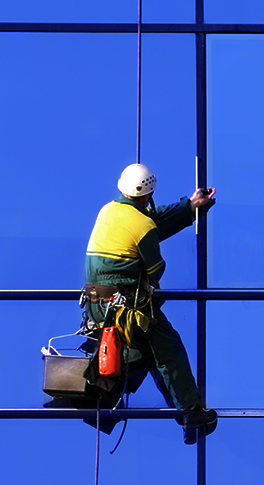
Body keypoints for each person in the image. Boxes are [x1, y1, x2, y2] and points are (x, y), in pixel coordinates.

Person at [81, 162, 219, 445]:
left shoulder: (108, 211)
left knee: (145, 354)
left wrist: (190, 206)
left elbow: (150, 222)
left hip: (98, 305)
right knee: (168, 348)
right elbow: (155, 268)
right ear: (147, 195)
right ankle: (192, 413)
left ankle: (107, 405)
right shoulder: (142, 224)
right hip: (128, 307)